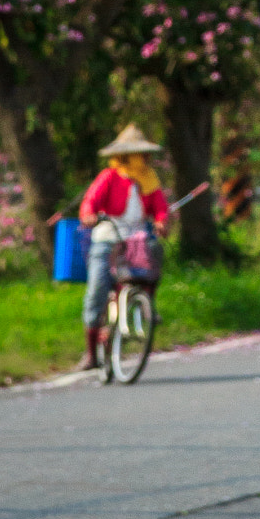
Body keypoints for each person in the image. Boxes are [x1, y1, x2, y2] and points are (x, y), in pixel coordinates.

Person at [77, 124, 170, 369]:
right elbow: (90, 201)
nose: (147, 159)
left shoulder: (149, 179)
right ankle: (91, 354)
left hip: (135, 240)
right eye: (142, 154)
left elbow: (160, 207)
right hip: (108, 237)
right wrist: (89, 215)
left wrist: (161, 222)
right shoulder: (109, 177)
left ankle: (148, 306)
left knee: (154, 256)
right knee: (97, 291)